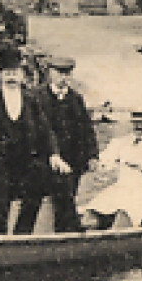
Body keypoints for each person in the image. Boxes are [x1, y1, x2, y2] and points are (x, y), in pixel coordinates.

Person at [0, 46, 67, 234]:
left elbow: (46, 130)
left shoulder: (31, 100)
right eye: (7, 73)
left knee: (39, 184)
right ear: (0, 76)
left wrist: (54, 154)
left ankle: (23, 234)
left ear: (22, 75)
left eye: (15, 73)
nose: (11, 77)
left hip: (25, 160)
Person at [38, 56, 99, 233]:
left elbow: (87, 129)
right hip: (46, 158)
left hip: (73, 159)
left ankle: (64, 234)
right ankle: (67, 230)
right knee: (57, 195)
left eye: (67, 74)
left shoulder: (75, 99)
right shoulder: (37, 97)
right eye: (59, 73)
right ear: (50, 73)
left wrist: (93, 155)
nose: (64, 78)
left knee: (68, 194)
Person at [81, 111, 142, 230]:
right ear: (132, 123)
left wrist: (128, 160)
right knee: (89, 216)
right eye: (136, 123)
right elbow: (106, 159)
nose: (139, 127)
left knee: (123, 217)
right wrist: (97, 163)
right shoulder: (120, 142)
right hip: (120, 188)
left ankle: (114, 238)